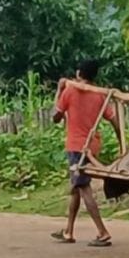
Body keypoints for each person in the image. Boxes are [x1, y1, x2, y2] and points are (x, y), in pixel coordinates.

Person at [51, 59, 120, 247]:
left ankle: (102, 232)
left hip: (76, 147)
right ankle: (68, 231)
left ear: (79, 73)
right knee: (76, 187)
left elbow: (55, 118)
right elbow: (114, 120)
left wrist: (59, 89)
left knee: (83, 188)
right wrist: (123, 143)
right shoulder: (98, 95)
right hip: (92, 146)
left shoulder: (69, 91)